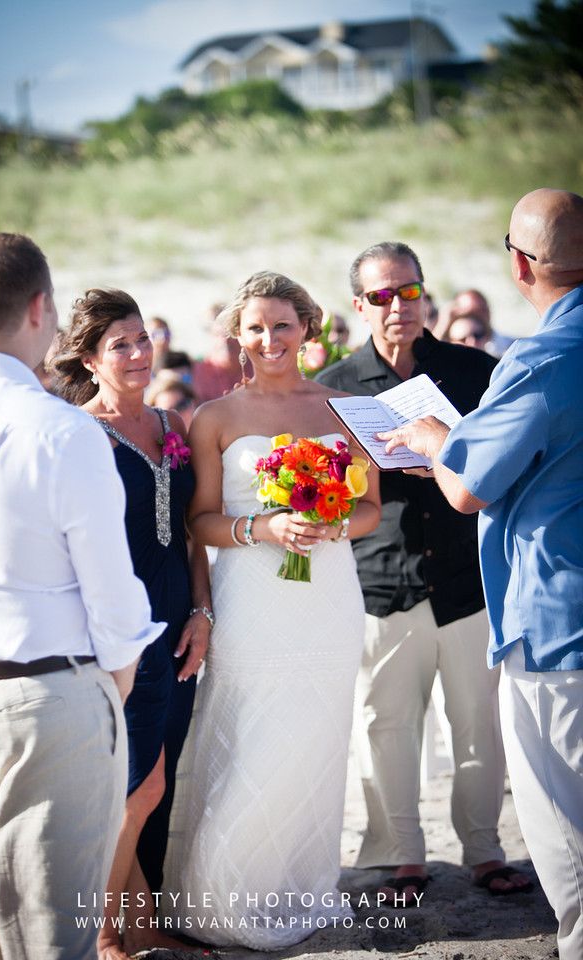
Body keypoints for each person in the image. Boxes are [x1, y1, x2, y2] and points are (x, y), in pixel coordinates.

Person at [0, 233, 162, 960]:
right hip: (49, 696)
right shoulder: (61, 430)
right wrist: (115, 685)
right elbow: (112, 594)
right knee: (50, 939)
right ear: (41, 308)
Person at [377, 188, 583, 960]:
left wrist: (437, 436)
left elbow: (466, 487)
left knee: (563, 823)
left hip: (561, 617)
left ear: (522, 262)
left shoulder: (544, 356)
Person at [162, 271, 381, 949]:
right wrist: (265, 531)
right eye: (254, 327)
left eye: (282, 324)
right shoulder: (215, 417)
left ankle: (298, 886)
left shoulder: (347, 407)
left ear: (306, 328)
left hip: (329, 598)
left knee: (314, 740)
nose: (268, 338)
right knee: (252, 738)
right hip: (252, 598)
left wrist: (328, 525)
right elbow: (201, 522)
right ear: (237, 335)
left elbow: (371, 508)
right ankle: (219, 894)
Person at [316, 241, 532, 906]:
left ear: (424, 295)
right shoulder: (334, 385)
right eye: (380, 296)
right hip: (382, 581)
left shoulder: (475, 371)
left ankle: (484, 852)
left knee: (478, 726)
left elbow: (509, 460)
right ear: (359, 305)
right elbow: (327, 489)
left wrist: (449, 457)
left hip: (469, 582)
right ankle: (402, 857)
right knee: (387, 728)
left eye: (407, 291)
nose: (396, 306)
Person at [52, 288, 212, 960]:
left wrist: (203, 612)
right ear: (90, 360)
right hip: (117, 632)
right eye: (121, 343)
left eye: (143, 338)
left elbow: (193, 534)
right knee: (135, 785)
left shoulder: (174, 427)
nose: (141, 352)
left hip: (178, 620)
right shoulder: (78, 434)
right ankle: (103, 933)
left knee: (154, 783)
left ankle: (141, 922)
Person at [436, 288, 515, 357]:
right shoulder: (448, 345)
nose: (478, 317)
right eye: (469, 313)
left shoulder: (512, 347)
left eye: (481, 310)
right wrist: (443, 323)